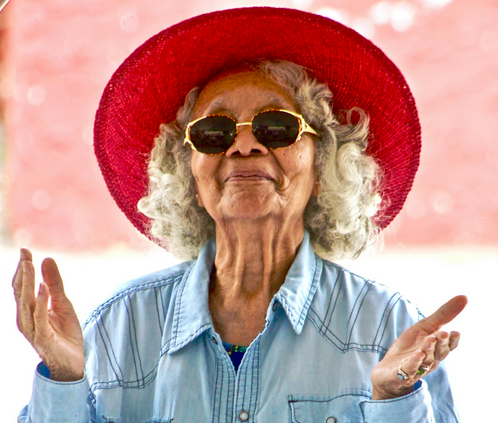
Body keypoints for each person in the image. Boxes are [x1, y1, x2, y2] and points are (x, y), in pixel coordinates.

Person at [13, 7, 467, 423]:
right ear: (187, 170)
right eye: (214, 131)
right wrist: (65, 379)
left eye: (276, 127)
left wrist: (394, 400)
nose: (244, 145)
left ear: (324, 163)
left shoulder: (386, 329)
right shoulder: (121, 326)